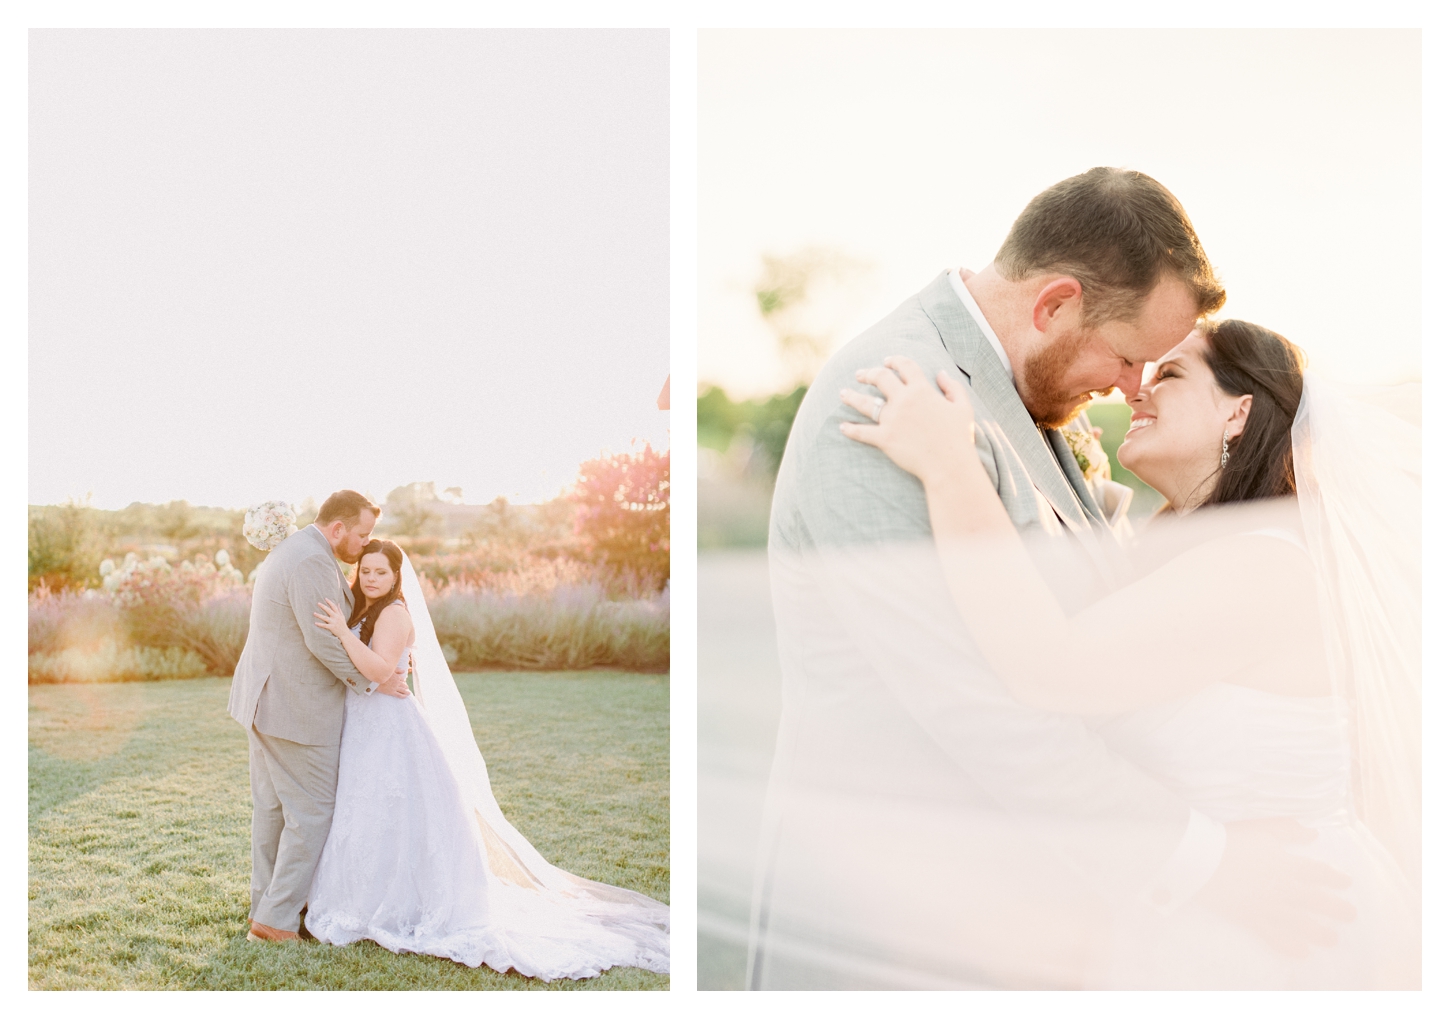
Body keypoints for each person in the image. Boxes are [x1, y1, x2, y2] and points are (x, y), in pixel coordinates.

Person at [751, 168, 1361, 989]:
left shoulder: (1033, 410)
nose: (1130, 390)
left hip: (1044, 933)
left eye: (1158, 372)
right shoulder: (894, 401)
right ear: (1054, 306)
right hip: (888, 935)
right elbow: (982, 709)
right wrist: (1206, 859)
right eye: (1132, 357)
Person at [839, 319, 1419, 987]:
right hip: (1209, 904)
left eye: (1169, 374)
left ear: (1239, 412)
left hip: (1282, 923)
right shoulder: (1203, 550)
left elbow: (1048, 667)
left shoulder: (1262, 564)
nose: (1135, 391)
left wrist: (948, 464)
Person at [303, 539, 670, 980]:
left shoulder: (395, 613)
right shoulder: (366, 609)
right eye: (366, 572)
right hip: (367, 721)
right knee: (365, 809)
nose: (372, 579)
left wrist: (344, 636)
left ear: (397, 576)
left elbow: (381, 670)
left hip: (389, 727)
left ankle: (395, 902)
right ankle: (357, 894)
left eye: (381, 572)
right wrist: (365, 657)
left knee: (388, 807)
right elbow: (376, 673)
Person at [228, 490, 411, 944]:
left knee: (273, 811)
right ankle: (274, 921)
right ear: (337, 529)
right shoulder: (311, 561)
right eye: (363, 534)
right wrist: (374, 681)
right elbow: (322, 641)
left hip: (267, 698)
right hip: (295, 706)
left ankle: (268, 906)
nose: (366, 542)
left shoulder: (298, 551)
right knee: (311, 813)